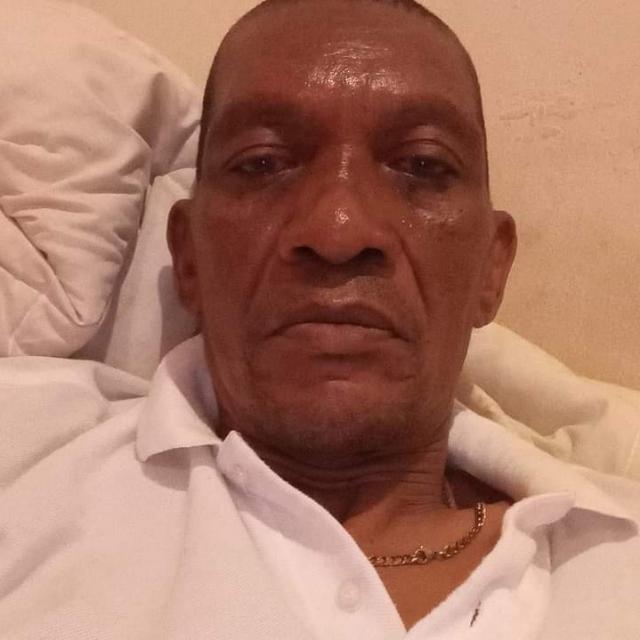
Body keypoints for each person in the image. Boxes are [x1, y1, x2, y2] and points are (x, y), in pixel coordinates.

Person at [1, 1, 638, 638]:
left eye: (422, 164)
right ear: (188, 256)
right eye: (262, 162)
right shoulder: (25, 460)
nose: (339, 230)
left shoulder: (618, 562)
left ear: (491, 270)